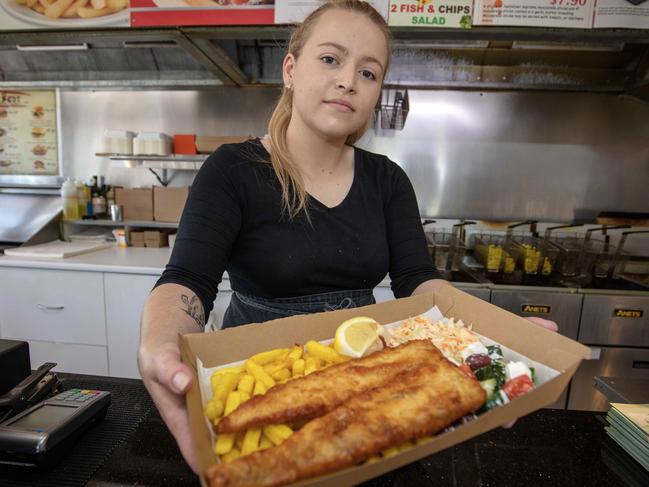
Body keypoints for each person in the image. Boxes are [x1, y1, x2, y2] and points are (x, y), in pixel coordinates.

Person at [138, 0, 557, 473]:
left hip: (364, 387)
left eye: (369, 72)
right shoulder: (234, 170)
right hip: (252, 388)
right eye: (331, 59)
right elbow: (187, 280)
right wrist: (160, 344)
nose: (348, 81)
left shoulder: (388, 180)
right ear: (291, 69)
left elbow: (418, 281)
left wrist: (484, 331)